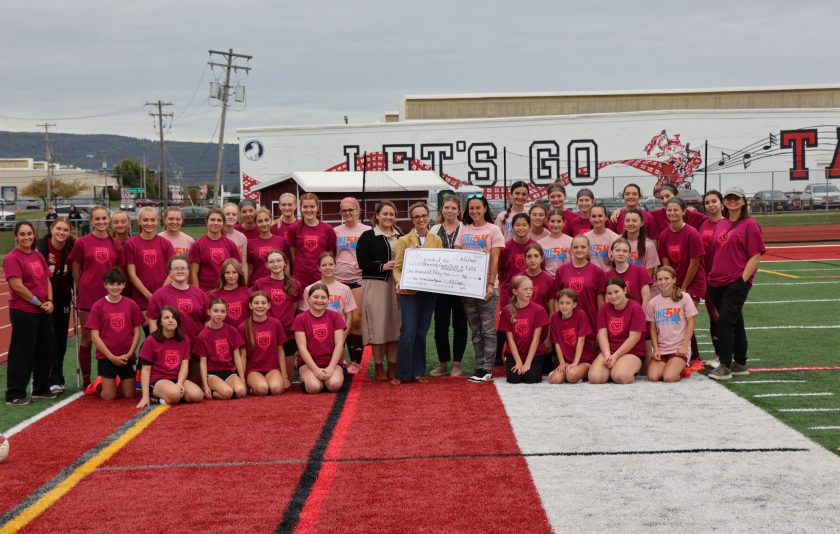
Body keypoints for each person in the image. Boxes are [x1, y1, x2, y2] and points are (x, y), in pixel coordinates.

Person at [707, 186, 765, 380]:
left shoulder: (750, 224)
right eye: (729, 198)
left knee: (724, 321)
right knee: (735, 320)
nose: (732, 201)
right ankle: (740, 362)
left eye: (736, 198)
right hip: (716, 281)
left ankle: (724, 365)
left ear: (743, 202)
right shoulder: (721, 224)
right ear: (724, 202)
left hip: (736, 281)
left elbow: (755, 256)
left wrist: (742, 280)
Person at [69, 205, 124, 388]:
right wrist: (82, 286)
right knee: (87, 337)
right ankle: (86, 379)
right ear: (91, 221)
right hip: (88, 297)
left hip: (110, 297)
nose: (101, 222)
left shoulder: (115, 243)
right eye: (97, 219)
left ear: (109, 220)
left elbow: (118, 271)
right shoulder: (82, 242)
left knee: (109, 336)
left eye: (104, 218)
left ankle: (106, 378)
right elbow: (76, 269)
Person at [4, 222, 58, 405]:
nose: (26, 237)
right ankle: (15, 393)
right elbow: (17, 286)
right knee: (22, 352)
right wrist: (38, 302)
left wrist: (49, 301)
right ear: (16, 237)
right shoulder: (13, 258)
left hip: (43, 309)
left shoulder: (37, 255)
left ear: (34, 235)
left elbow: (46, 280)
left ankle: (41, 388)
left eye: (29, 234)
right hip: (24, 310)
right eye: (22, 234)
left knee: (45, 350)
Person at [392, 202, 442, 384]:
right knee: (408, 332)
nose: (421, 219)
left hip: (428, 293)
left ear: (428, 217)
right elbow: (397, 269)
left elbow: (440, 266)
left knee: (422, 332)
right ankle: (402, 373)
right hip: (409, 292)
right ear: (412, 220)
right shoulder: (404, 240)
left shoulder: (436, 240)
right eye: (416, 216)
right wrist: (400, 283)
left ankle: (418, 371)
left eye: (423, 216)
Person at [456, 195, 505, 383]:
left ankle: (487, 368)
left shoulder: (493, 230)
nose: (474, 211)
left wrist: (491, 284)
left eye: (478, 207)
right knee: (475, 330)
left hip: (486, 287)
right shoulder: (464, 228)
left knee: (487, 330)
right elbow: (458, 256)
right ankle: (479, 366)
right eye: (471, 208)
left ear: (485, 208)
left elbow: (495, 259)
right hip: (468, 288)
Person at [356, 201, 403, 381]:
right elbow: (363, 262)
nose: (388, 217)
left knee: (395, 325)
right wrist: (383, 266)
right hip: (376, 285)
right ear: (377, 215)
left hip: (398, 285)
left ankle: (392, 365)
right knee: (379, 325)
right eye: (385, 214)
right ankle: (378, 367)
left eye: (392, 214)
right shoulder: (367, 236)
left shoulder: (402, 236)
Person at [657, 197, 706, 371]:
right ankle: (678, 357)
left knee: (686, 319)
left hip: (692, 282)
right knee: (675, 320)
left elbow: (694, 263)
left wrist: (683, 287)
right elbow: (665, 264)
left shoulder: (692, 233)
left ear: (684, 212)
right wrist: (669, 284)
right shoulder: (664, 235)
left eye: (676, 210)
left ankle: (695, 358)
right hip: (674, 282)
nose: (672, 213)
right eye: (669, 210)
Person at [84, 268, 143, 399]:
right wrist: (111, 357)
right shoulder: (98, 306)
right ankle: (98, 385)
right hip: (107, 358)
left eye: (118, 284)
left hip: (127, 357)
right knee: (109, 397)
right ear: (105, 285)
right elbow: (94, 336)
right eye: (111, 284)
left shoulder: (131, 304)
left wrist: (130, 353)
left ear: (124, 285)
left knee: (129, 395)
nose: (115, 287)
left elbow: (137, 332)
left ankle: (116, 383)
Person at [429, 195, 467, 377]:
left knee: (460, 324)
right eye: (446, 208)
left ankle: (457, 364)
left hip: (461, 285)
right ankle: (443, 362)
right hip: (440, 285)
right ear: (441, 210)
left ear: (459, 211)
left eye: (453, 208)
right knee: (440, 325)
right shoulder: (435, 229)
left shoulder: (465, 229)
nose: (449, 211)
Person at [136, 306, 203, 408]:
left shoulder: (184, 340)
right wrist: (144, 396)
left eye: (173, 317)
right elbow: (145, 370)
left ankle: (171, 398)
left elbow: (184, 366)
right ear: (160, 322)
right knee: (175, 394)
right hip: (158, 379)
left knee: (197, 396)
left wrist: (180, 383)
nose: (171, 320)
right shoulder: (151, 340)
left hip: (176, 379)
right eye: (166, 318)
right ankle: (155, 397)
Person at [37, 217, 75, 394]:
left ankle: (58, 377)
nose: (61, 233)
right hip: (43, 299)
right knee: (47, 339)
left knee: (60, 340)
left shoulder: (72, 247)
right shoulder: (41, 247)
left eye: (65, 230)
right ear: (52, 229)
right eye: (58, 229)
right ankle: (46, 378)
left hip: (63, 297)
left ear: (70, 232)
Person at [301, 253, 356, 373]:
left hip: (337, 335)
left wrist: (343, 335)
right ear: (319, 268)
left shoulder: (344, 289)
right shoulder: (309, 289)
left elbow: (349, 315)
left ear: (336, 266)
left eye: (331, 264)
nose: (328, 267)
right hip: (316, 335)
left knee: (335, 372)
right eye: (324, 265)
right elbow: (305, 315)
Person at [333, 196, 370, 374]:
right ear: (340, 212)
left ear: (358, 210)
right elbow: (331, 255)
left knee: (356, 321)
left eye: (351, 210)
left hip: (357, 280)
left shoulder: (367, 230)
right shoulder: (335, 231)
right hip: (339, 280)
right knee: (339, 321)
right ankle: (340, 359)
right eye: (344, 210)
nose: (347, 213)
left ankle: (356, 361)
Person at [588, 277, 647, 385]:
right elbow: (602, 335)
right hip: (609, 350)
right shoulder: (604, 309)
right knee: (595, 378)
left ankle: (621, 369)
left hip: (631, 351)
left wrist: (616, 356)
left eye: (616, 291)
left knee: (620, 377)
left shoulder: (635, 308)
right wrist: (606, 355)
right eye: (609, 293)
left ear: (624, 290)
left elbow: (634, 338)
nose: (613, 296)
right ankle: (612, 369)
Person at [252, 250, 301, 379]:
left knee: (288, 379)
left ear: (285, 263)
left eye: (279, 260)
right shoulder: (260, 283)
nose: (276, 264)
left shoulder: (295, 284)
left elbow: (295, 306)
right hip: (267, 331)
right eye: (272, 261)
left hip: (288, 331)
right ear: (267, 265)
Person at [646, 266, 698, 383]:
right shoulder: (653, 302)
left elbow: (691, 323)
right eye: (660, 279)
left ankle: (681, 368)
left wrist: (685, 346)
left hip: (678, 349)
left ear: (674, 280)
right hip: (662, 349)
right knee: (653, 377)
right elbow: (653, 328)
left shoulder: (685, 297)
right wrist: (656, 349)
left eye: (666, 278)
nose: (663, 282)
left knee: (669, 378)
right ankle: (670, 366)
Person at [125, 207, 176, 326]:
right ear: (139, 221)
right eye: (145, 220)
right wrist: (148, 295)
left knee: (164, 333)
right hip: (141, 297)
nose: (149, 223)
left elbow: (172, 271)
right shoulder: (131, 244)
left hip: (163, 296)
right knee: (150, 334)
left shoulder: (165, 243)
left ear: (158, 221)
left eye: (153, 220)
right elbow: (131, 274)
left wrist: (160, 293)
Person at [293, 284, 347, 394]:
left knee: (334, 385)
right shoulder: (300, 318)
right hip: (308, 363)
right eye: (315, 297)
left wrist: (331, 368)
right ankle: (307, 378)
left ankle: (335, 375)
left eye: (323, 297)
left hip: (332, 362)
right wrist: (315, 370)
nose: (319, 300)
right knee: (313, 387)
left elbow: (339, 344)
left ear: (328, 299)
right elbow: (302, 348)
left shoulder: (335, 316)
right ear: (309, 299)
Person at [498, 275, 549, 384]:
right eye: (525, 289)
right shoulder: (507, 311)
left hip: (534, 354)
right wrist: (518, 362)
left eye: (531, 289)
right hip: (515, 354)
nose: (529, 292)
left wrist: (528, 363)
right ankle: (510, 361)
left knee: (531, 378)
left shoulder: (539, 310)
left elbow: (536, 339)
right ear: (515, 291)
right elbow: (510, 340)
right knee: (514, 379)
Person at [194, 299, 247, 400]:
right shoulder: (202, 336)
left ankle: (225, 388)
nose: (219, 314)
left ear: (226, 313)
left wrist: (243, 379)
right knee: (228, 392)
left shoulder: (232, 331)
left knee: (241, 392)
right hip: (212, 373)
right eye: (216, 311)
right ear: (209, 312)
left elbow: (237, 357)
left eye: (222, 311)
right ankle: (213, 390)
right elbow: (203, 362)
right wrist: (205, 385)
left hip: (229, 371)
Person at [147, 256, 210, 340]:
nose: (180, 271)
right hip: (171, 348)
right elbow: (153, 322)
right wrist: (159, 344)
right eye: (175, 268)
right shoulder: (159, 295)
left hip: (197, 346)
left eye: (183, 268)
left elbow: (208, 321)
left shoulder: (200, 294)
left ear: (188, 270)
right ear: (170, 272)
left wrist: (205, 341)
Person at [239, 291, 288, 395]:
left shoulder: (276, 324)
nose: (260, 306)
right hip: (253, 370)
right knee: (262, 389)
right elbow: (242, 356)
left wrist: (284, 376)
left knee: (276, 389)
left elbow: (280, 351)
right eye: (256, 303)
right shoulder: (243, 327)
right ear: (250, 305)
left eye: (263, 303)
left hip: (272, 368)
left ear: (269, 305)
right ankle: (252, 388)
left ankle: (264, 384)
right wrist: (242, 379)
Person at [553, 234, 605, 330]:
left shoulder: (597, 272)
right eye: (576, 247)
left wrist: (601, 327)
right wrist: (558, 322)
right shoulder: (561, 270)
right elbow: (557, 298)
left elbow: (601, 302)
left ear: (589, 249)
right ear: (571, 249)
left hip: (590, 322)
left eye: (583, 247)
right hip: (566, 323)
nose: (579, 250)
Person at [288, 193, 337, 288]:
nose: (309, 210)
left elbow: (331, 255)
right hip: (300, 279)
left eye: (312, 206)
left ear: (317, 207)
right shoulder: (293, 228)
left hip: (321, 277)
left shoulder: (328, 229)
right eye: (305, 207)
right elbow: (293, 256)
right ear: (300, 208)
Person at [699, 190, 725, 366]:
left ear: (721, 203)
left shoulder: (729, 224)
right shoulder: (703, 223)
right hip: (706, 276)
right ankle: (718, 355)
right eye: (707, 202)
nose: (711, 205)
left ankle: (727, 354)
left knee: (724, 316)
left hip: (724, 277)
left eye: (714, 201)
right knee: (712, 315)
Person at [549, 289, 596, 384]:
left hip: (582, 359)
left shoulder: (580, 315)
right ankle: (571, 372)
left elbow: (581, 340)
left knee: (571, 376)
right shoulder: (554, 318)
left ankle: (586, 370)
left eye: (568, 303)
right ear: (557, 304)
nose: (564, 306)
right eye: (561, 303)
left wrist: (575, 363)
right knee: (554, 380)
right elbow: (556, 343)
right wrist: (562, 363)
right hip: (566, 360)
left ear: (574, 304)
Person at [189, 208, 241, 292]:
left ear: (223, 223)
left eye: (219, 220)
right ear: (207, 221)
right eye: (212, 220)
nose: (216, 223)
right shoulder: (198, 244)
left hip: (226, 290)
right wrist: (198, 293)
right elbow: (193, 273)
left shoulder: (230, 244)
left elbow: (237, 270)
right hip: (206, 291)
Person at [606, 238, 652, 310]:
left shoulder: (640, 270)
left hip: (637, 315)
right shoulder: (607, 275)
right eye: (617, 250)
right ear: (611, 252)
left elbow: (646, 299)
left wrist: (641, 317)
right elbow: (608, 301)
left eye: (625, 251)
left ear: (629, 254)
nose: (621, 253)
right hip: (617, 318)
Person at [247, 207, 287, 285]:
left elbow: (286, 263)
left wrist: (287, 281)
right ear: (255, 223)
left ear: (271, 220)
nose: (264, 224)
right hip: (257, 283)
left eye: (266, 220)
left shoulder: (281, 241)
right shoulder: (250, 243)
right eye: (260, 221)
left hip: (278, 283)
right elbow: (250, 267)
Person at [209, 259, 252, 328]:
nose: (231, 276)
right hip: (225, 335)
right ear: (223, 274)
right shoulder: (214, 295)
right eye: (227, 272)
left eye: (234, 272)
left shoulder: (248, 292)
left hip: (245, 334)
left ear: (239, 273)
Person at [621, 208, 660, 277]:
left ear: (642, 223)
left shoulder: (648, 245)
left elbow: (649, 275)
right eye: (627, 221)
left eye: (634, 221)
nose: (630, 223)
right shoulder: (617, 241)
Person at [583, 204, 619, 272]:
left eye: (600, 216)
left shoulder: (614, 238)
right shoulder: (584, 238)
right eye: (593, 216)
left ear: (605, 217)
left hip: (608, 278)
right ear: (589, 218)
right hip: (590, 277)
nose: (597, 219)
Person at [538, 208, 572, 277]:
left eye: (559, 221)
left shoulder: (571, 241)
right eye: (552, 221)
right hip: (548, 280)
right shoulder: (540, 243)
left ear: (564, 223)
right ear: (547, 222)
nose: (555, 225)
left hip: (566, 278)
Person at [222, 203, 249, 280]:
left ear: (238, 217)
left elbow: (243, 264)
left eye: (234, 214)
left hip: (235, 278)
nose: (231, 217)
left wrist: (244, 282)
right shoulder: (217, 235)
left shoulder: (241, 237)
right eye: (227, 214)